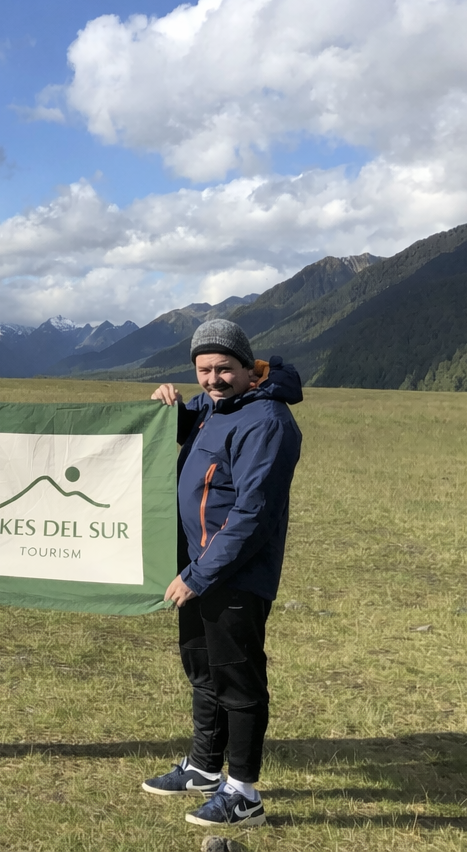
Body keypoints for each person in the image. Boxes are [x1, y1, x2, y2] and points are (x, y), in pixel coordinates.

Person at [140, 319, 303, 828]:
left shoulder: (268, 421)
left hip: (232, 574)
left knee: (239, 680)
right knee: (203, 671)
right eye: (203, 370)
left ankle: (244, 792)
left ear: (247, 368)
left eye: (223, 369)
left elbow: (253, 515)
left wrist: (200, 574)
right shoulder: (214, 407)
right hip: (196, 568)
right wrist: (170, 405)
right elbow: (189, 427)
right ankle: (204, 768)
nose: (212, 379)